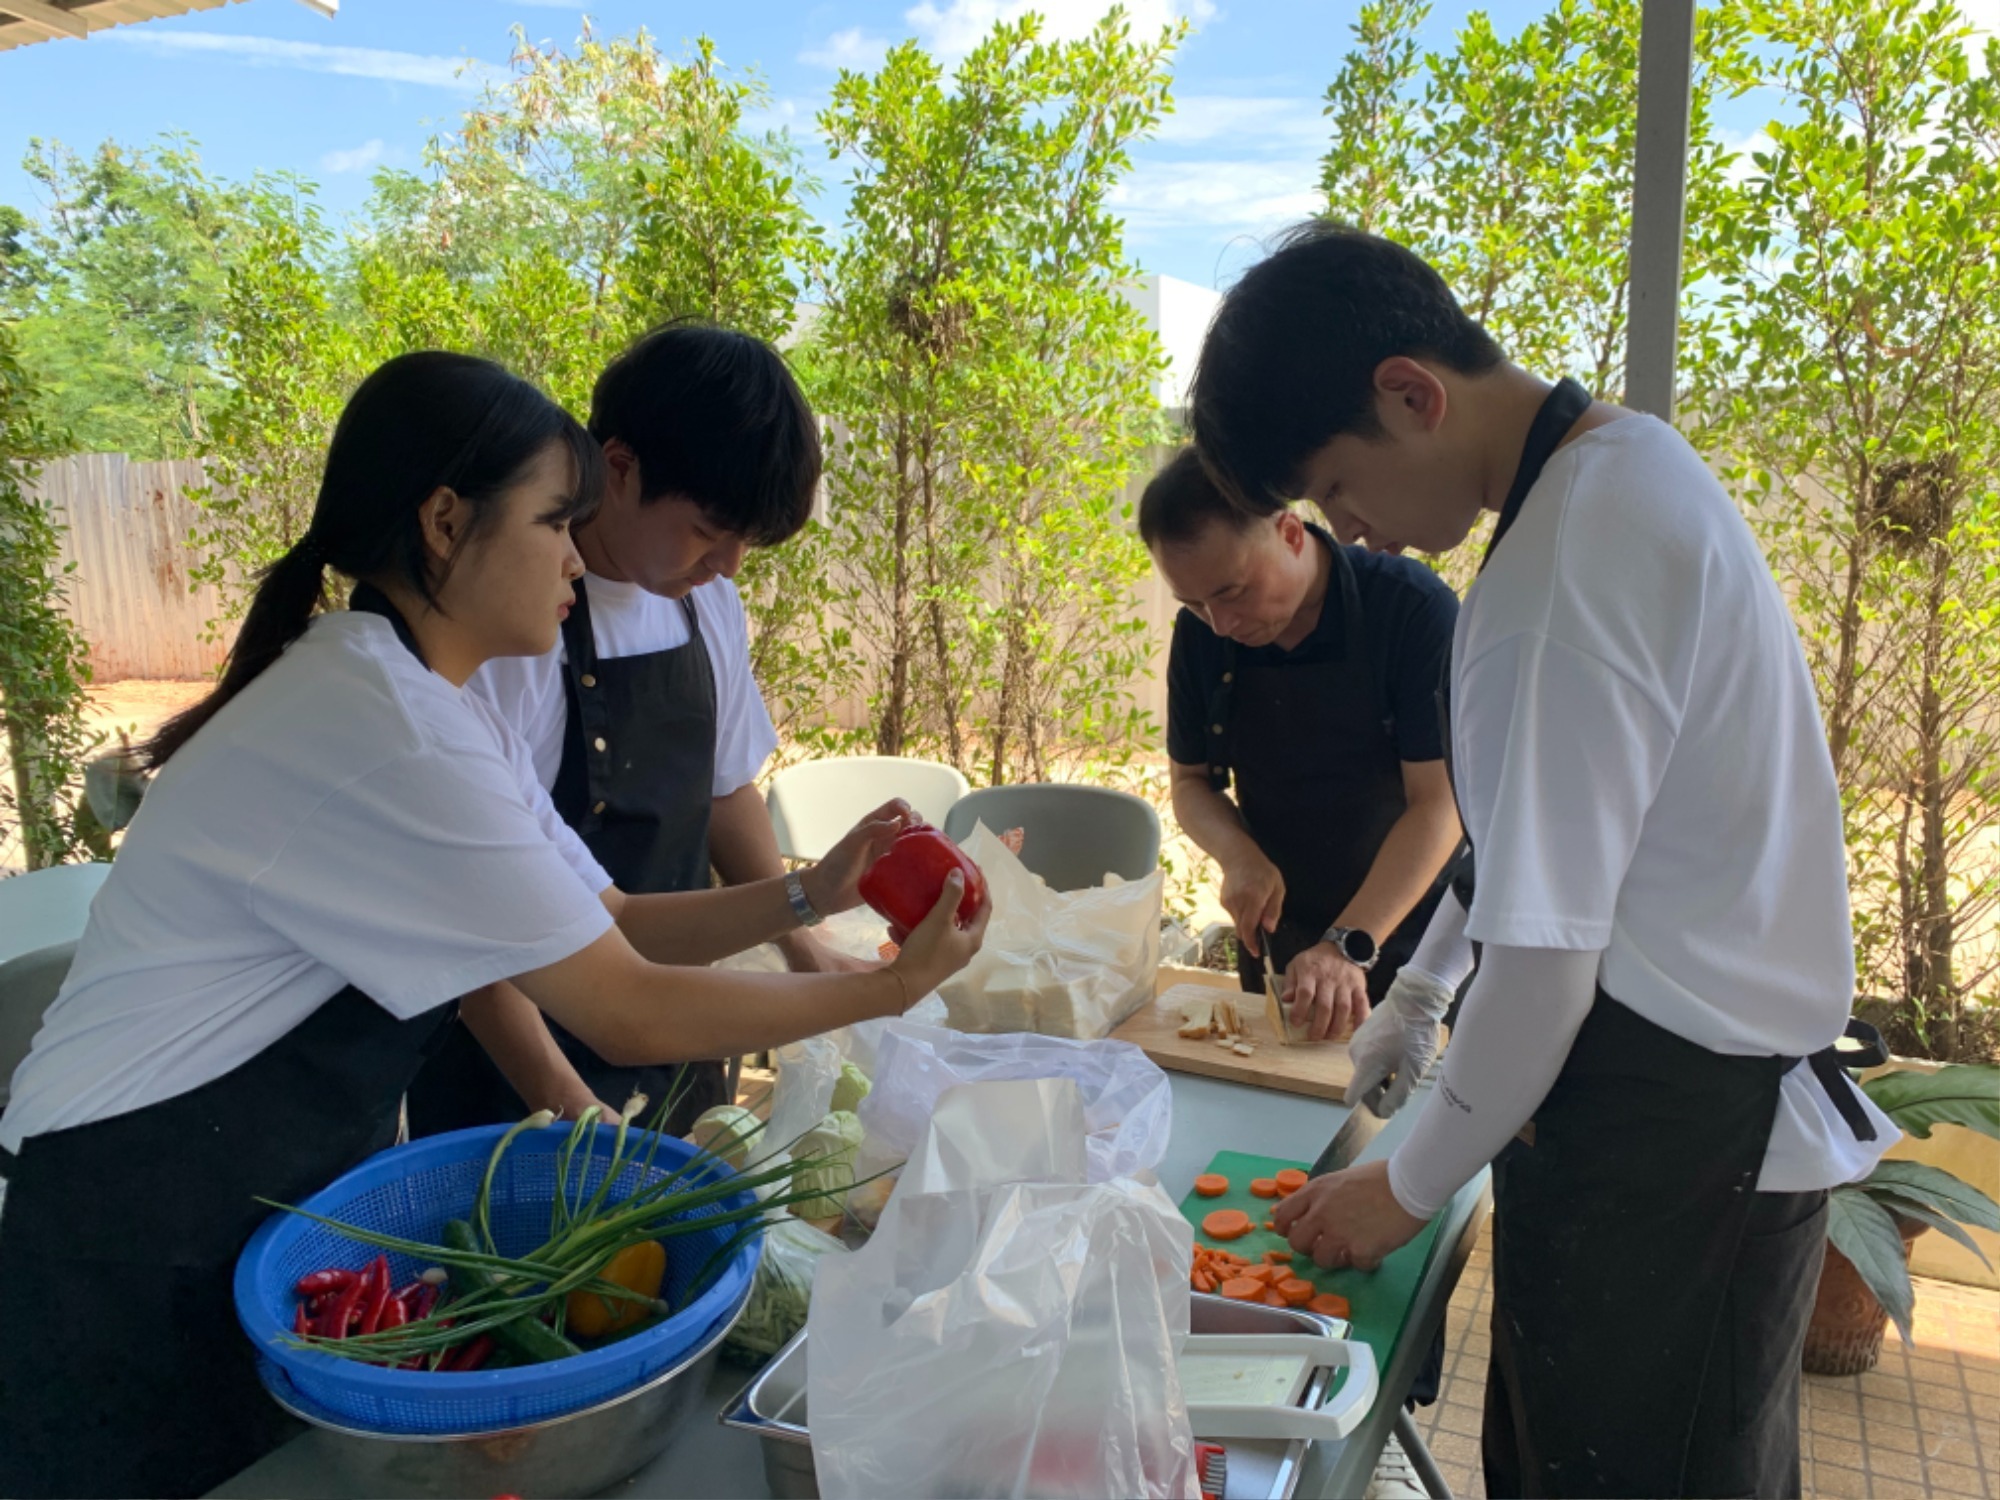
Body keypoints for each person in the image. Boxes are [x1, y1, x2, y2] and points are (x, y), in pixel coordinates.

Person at [0, 351, 987, 1500]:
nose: (576, 556)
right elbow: (623, 1007)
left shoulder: (418, 701)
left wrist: (817, 891)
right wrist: (881, 989)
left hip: (247, 1189)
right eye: (553, 521)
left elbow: (611, 919)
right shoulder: (387, 728)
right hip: (131, 1229)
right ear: (443, 521)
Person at [1188, 222, 1895, 1499]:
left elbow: (1548, 968)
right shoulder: (1621, 467)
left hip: (1676, 1141)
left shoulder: (1559, 570)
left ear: (1410, 394)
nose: (1355, 535)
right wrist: (1415, 991)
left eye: (1335, 494)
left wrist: (1403, 1185)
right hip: (1667, 1121)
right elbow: (1541, 845)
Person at [408, 322, 854, 1139]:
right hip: (521, 1067)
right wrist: (565, 1101)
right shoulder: (505, 625)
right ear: (618, 467)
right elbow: (471, 917)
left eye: (744, 544)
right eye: (708, 532)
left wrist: (806, 942)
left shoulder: (706, 599)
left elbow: (725, 791)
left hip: (677, 1022)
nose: (728, 566)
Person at [1141, 447, 1463, 1044]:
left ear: (1289, 532)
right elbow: (1191, 784)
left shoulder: (1411, 611)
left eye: (1232, 592)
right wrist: (1238, 854)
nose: (1220, 624)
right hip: (1282, 937)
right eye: (1194, 604)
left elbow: (1441, 807)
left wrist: (1349, 943)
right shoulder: (1204, 635)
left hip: (1416, 935)